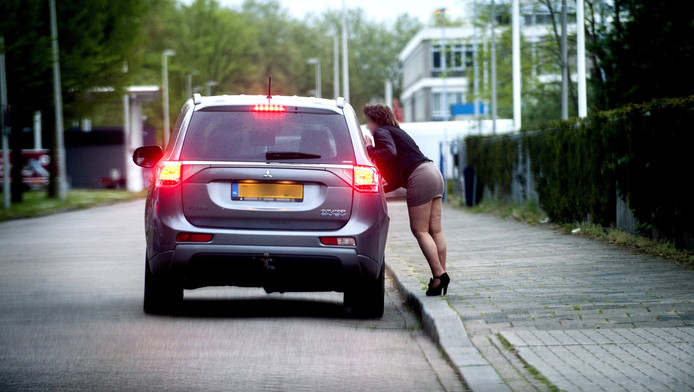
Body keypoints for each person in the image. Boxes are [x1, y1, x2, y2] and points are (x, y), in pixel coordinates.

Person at [362, 103, 449, 296]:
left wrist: (369, 149)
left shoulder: (381, 132)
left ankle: (439, 275)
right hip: (433, 172)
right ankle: (438, 279)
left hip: (420, 177)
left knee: (419, 230)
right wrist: (381, 188)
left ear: (376, 120)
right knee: (436, 230)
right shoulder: (397, 132)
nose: (367, 126)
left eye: (368, 121)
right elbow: (394, 178)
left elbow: (389, 154)